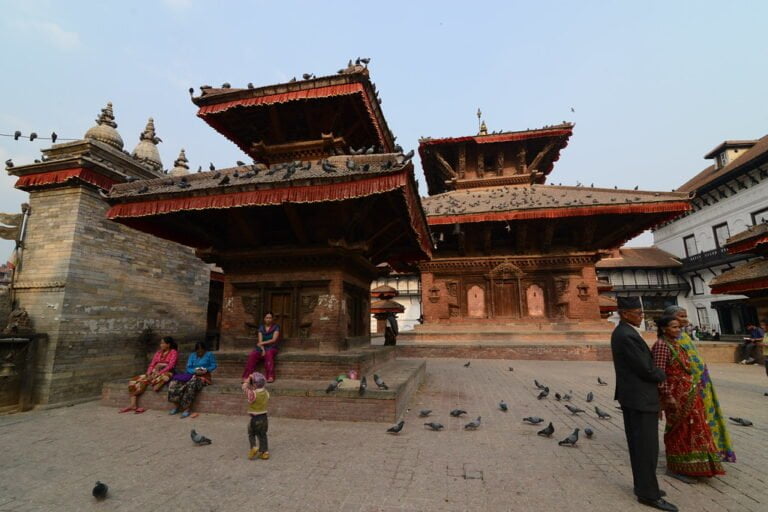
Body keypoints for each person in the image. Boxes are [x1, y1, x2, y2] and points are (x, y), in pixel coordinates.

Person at [611, 296, 677, 512]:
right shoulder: (626, 335)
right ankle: (648, 494)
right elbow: (645, 369)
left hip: (634, 396)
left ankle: (646, 487)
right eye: (638, 313)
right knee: (646, 447)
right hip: (640, 397)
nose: (642, 316)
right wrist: (665, 373)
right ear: (625, 313)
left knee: (641, 446)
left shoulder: (626, 332)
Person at [652, 316, 725, 482]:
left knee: (696, 427)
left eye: (679, 327)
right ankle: (677, 467)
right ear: (664, 329)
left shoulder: (678, 344)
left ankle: (698, 465)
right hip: (675, 396)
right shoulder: (661, 346)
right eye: (674, 327)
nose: (678, 330)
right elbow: (659, 373)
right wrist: (667, 396)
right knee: (680, 430)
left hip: (689, 392)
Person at [663, 305, 735, 463]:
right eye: (681, 317)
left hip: (700, 385)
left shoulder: (683, 336)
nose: (685, 320)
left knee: (703, 420)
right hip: (684, 390)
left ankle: (707, 449)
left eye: (685, 316)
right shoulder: (667, 342)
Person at [120, 336, 178, 414]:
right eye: (161, 343)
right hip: (154, 373)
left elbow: (171, 365)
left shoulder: (173, 352)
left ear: (168, 344)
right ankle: (133, 404)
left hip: (166, 372)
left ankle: (154, 383)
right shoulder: (158, 353)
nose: (161, 345)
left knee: (164, 378)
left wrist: (160, 370)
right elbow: (152, 364)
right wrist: (149, 373)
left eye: (163, 343)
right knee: (134, 380)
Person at [168, 342, 218, 418]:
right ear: (196, 350)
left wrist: (206, 370)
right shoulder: (192, 355)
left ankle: (186, 409)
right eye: (198, 351)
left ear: (205, 350)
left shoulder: (209, 355)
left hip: (203, 377)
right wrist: (195, 371)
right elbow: (188, 367)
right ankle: (177, 406)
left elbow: (214, 365)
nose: (200, 352)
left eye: (202, 351)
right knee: (174, 383)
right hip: (190, 375)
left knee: (191, 384)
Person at [242, 312, 280, 383]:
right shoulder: (261, 328)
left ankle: (270, 376)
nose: (268, 319)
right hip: (262, 347)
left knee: (268, 354)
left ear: (272, 319)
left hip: (272, 347)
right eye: (267, 318)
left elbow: (273, 340)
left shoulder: (276, 327)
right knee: (253, 355)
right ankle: (247, 376)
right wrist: (262, 349)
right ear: (264, 319)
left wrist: (262, 343)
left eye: (270, 318)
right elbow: (260, 341)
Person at [242, 371, 270, 460]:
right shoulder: (266, 393)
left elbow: (244, 388)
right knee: (263, 434)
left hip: (255, 418)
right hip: (264, 418)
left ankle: (253, 447)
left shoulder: (252, 394)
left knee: (251, 433)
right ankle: (264, 452)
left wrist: (247, 381)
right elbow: (260, 385)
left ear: (254, 384)